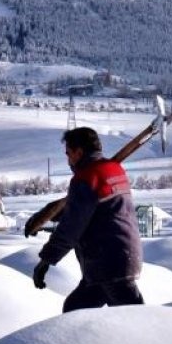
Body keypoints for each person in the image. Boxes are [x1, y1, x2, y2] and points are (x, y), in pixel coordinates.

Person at [32, 127, 144, 312]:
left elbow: (72, 227)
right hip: (118, 259)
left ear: (79, 152)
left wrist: (46, 260)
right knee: (74, 309)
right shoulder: (114, 169)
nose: (68, 159)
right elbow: (95, 210)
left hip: (108, 264)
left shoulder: (86, 178)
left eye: (68, 153)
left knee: (136, 320)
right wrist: (49, 215)